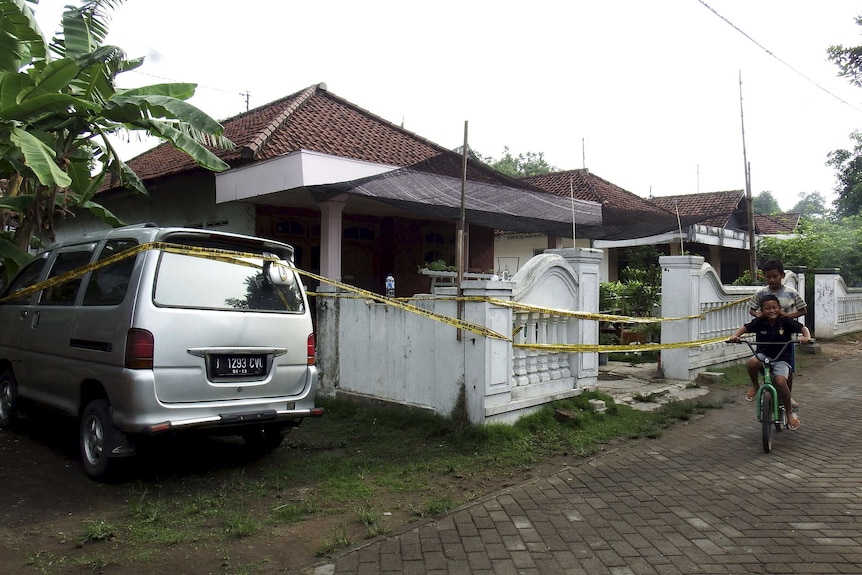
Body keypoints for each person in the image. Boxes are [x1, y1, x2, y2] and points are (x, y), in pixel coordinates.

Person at [728, 294, 811, 430]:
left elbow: (803, 328)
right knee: (751, 363)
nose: (771, 311)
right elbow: (744, 328)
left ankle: (789, 412)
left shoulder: (785, 321)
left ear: (779, 308)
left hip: (782, 358)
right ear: (761, 311)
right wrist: (735, 336)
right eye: (767, 308)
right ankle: (755, 386)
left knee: (780, 381)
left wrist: (806, 337)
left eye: (774, 308)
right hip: (763, 355)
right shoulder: (759, 321)